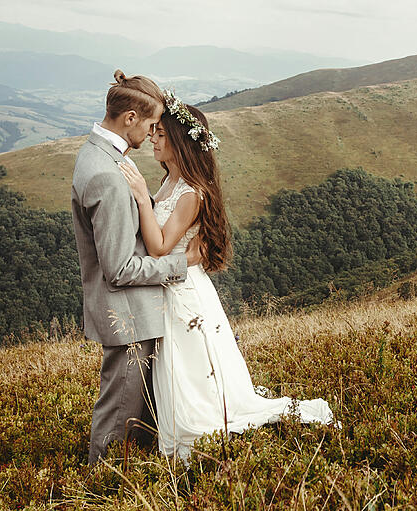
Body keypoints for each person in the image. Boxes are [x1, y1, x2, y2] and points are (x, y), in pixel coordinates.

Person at [118, 90, 335, 460]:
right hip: (173, 282)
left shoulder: (191, 193)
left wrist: (140, 196)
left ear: (181, 143)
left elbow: (159, 246)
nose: (152, 139)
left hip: (183, 290)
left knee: (187, 364)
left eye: (161, 135)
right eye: (153, 133)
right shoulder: (170, 180)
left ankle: (194, 432)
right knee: (180, 365)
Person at [71, 70, 205, 465]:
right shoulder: (108, 175)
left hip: (136, 312)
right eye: (149, 125)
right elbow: (120, 268)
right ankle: (103, 483)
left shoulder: (97, 154)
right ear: (129, 117)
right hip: (127, 312)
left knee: (139, 411)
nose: (151, 134)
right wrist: (182, 263)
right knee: (120, 412)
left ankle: (129, 478)